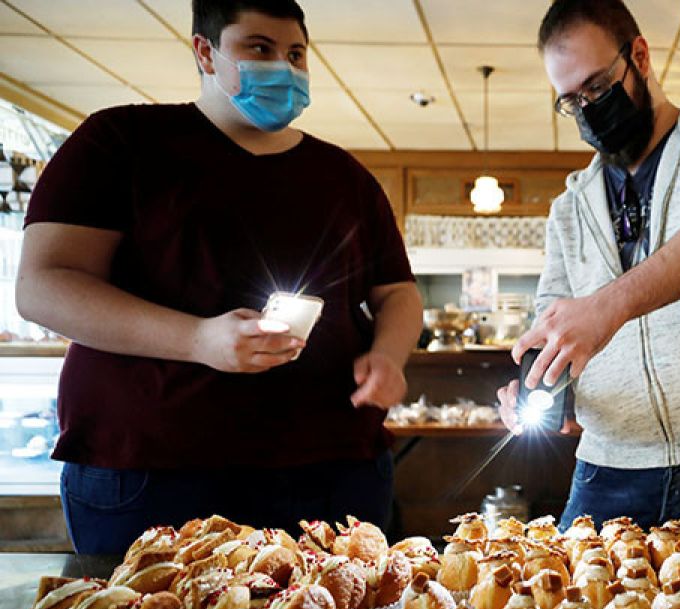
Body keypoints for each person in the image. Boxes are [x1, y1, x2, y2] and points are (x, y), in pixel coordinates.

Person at [16, 0, 422, 554]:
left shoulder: (345, 176)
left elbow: (397, 292)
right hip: (151, 471)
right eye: (259, 48)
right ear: (205, 51)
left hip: (332, 466)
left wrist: (389, 355)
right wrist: (198, 339)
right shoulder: (120, 142)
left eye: (296, 53)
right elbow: (43, 286)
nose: (284, 66)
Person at [496, 0, 680, 547]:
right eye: (570, 101)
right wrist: (540, 379)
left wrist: (609, 306)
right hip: (607, 467)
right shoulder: (571, 205)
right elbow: (553, 313)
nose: (587, 109)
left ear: (640, 56)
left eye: (597, 86)